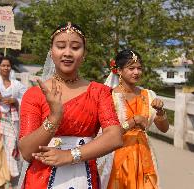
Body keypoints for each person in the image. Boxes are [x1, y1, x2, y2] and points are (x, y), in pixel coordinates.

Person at [18, 22, 123, 189]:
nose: (67, 53)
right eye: (60, 46)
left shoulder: (99, 92)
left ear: (84, 54)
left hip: (84, 177)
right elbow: (26, 151)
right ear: (51, 52)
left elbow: (115, 137)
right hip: (40, 179)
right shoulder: (35, 94)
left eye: (75, 47)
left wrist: (70, 155)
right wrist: (54, 117)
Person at [101, 49, 169, 189]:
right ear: (119, 70)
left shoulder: (148, 95)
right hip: (117, 156)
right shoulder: (109, 97)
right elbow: (104, 135)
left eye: (139, 68)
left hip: (144, 155)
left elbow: (164, 129)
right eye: (131, 68)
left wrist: (160, 112)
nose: (136, 72)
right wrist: (132, 122)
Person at [0, 56, 27, 189]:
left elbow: (26, 99)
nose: (6, 68)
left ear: (10, 67)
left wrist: (16, 101)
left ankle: (7, 176)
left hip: (11, 121)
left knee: (10, 147)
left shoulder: (17, 85)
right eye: (3, 65)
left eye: (8, 65)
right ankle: (1, 178)